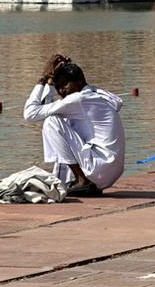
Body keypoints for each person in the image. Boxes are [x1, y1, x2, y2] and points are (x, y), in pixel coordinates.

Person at [22, 54, 125, 196]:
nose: (62, 91)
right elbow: (46, 107)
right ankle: (80, 180)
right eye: (58, 87)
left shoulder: (78, 99)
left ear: (78, 81)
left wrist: (43, 79)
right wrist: (52, 82)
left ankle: (82, 180)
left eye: (65, 85)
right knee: (62, 120)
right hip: (110, 172)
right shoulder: (97, 94)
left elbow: (30, 114)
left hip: (99, 169)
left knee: (52, 122)